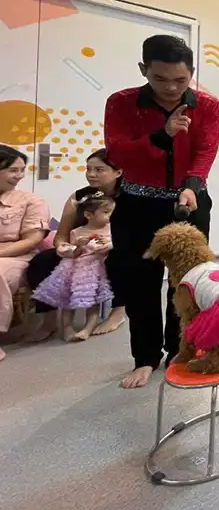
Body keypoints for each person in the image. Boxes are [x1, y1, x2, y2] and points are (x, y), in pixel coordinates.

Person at [104, 35, 219, 389]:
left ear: (192, 73)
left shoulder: (208, 106)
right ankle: (145, 357)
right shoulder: (122, 103)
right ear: (144, 70)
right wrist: (163, 134)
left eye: (180, 80)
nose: (171, 87)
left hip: (189, 202)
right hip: (136, 206)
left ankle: (180, 351)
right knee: (140, 283)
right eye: (160, 78)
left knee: (186, 283)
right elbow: (118, 153)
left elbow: (205, 151)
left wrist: (192, 186)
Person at [25, 149, 125, 342]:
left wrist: (112, 244)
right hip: (80, 251)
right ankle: (49, 318)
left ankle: (118, 311)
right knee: (41, 261)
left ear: (118, 172)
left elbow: (138, 236)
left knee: (122, 259)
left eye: (99, 170)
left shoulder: (130, 198)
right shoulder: (79, 197)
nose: (91, 174)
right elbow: (62, 235)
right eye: (88, 169)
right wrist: (65, 248)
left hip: (114, 247)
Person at [32, 193, 114, 342]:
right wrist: (79, 246)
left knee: (93, 301)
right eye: (106, 212)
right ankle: (67, 328)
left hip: (96, 269)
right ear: (88, 215)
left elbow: (113, 249)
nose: (111, 216)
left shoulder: (111, 230)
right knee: (68, 300)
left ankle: (88, 328)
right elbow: (74, 253)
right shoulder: (77, 232)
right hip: (75, 269)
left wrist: (108, 244)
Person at [0, 145, 50, 363]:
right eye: (13, 170)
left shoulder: (31, 201)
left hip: (15, 257)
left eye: (22, 170)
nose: (19, 176)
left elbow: (32, 240)